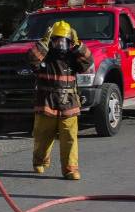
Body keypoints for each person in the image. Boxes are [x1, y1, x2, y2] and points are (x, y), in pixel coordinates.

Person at [29, 20, 93, 180]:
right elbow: (31, 59)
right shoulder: (45, 57)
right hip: (46, 103)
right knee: (42, 136)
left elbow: (88, 61)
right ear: (51, 41)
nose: (61, 44)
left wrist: (79, 46)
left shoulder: (73, 57)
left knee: (69, 139)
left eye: (64, 41)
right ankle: (40, 161)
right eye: (57, 40)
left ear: (70, 42)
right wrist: (43, 43)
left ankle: (70, 169)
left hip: (68, 104)